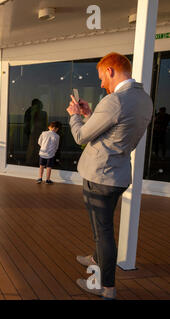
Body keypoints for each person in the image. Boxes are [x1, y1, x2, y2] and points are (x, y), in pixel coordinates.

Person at [67, 52, 153, 299]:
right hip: (118, 174)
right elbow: (115, 131)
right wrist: (89, 115)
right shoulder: (144, 99)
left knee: (102, 232)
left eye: (101, 77)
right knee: (102, 228)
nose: (101, 83)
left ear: (111, 71)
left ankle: (106, 287)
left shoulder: (115, 100)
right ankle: (96, 257)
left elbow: (82, 137)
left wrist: (74, 115)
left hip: (99, 177)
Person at [25, 99, 48, 166]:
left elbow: (45, 125)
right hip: (33, 133)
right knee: (32, 148)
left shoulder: (43, 113)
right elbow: (29, 125)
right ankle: (30, 162)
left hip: (40, 133)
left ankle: (37, 162)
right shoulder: (29, 112)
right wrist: (32, 115)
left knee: (39, 148)